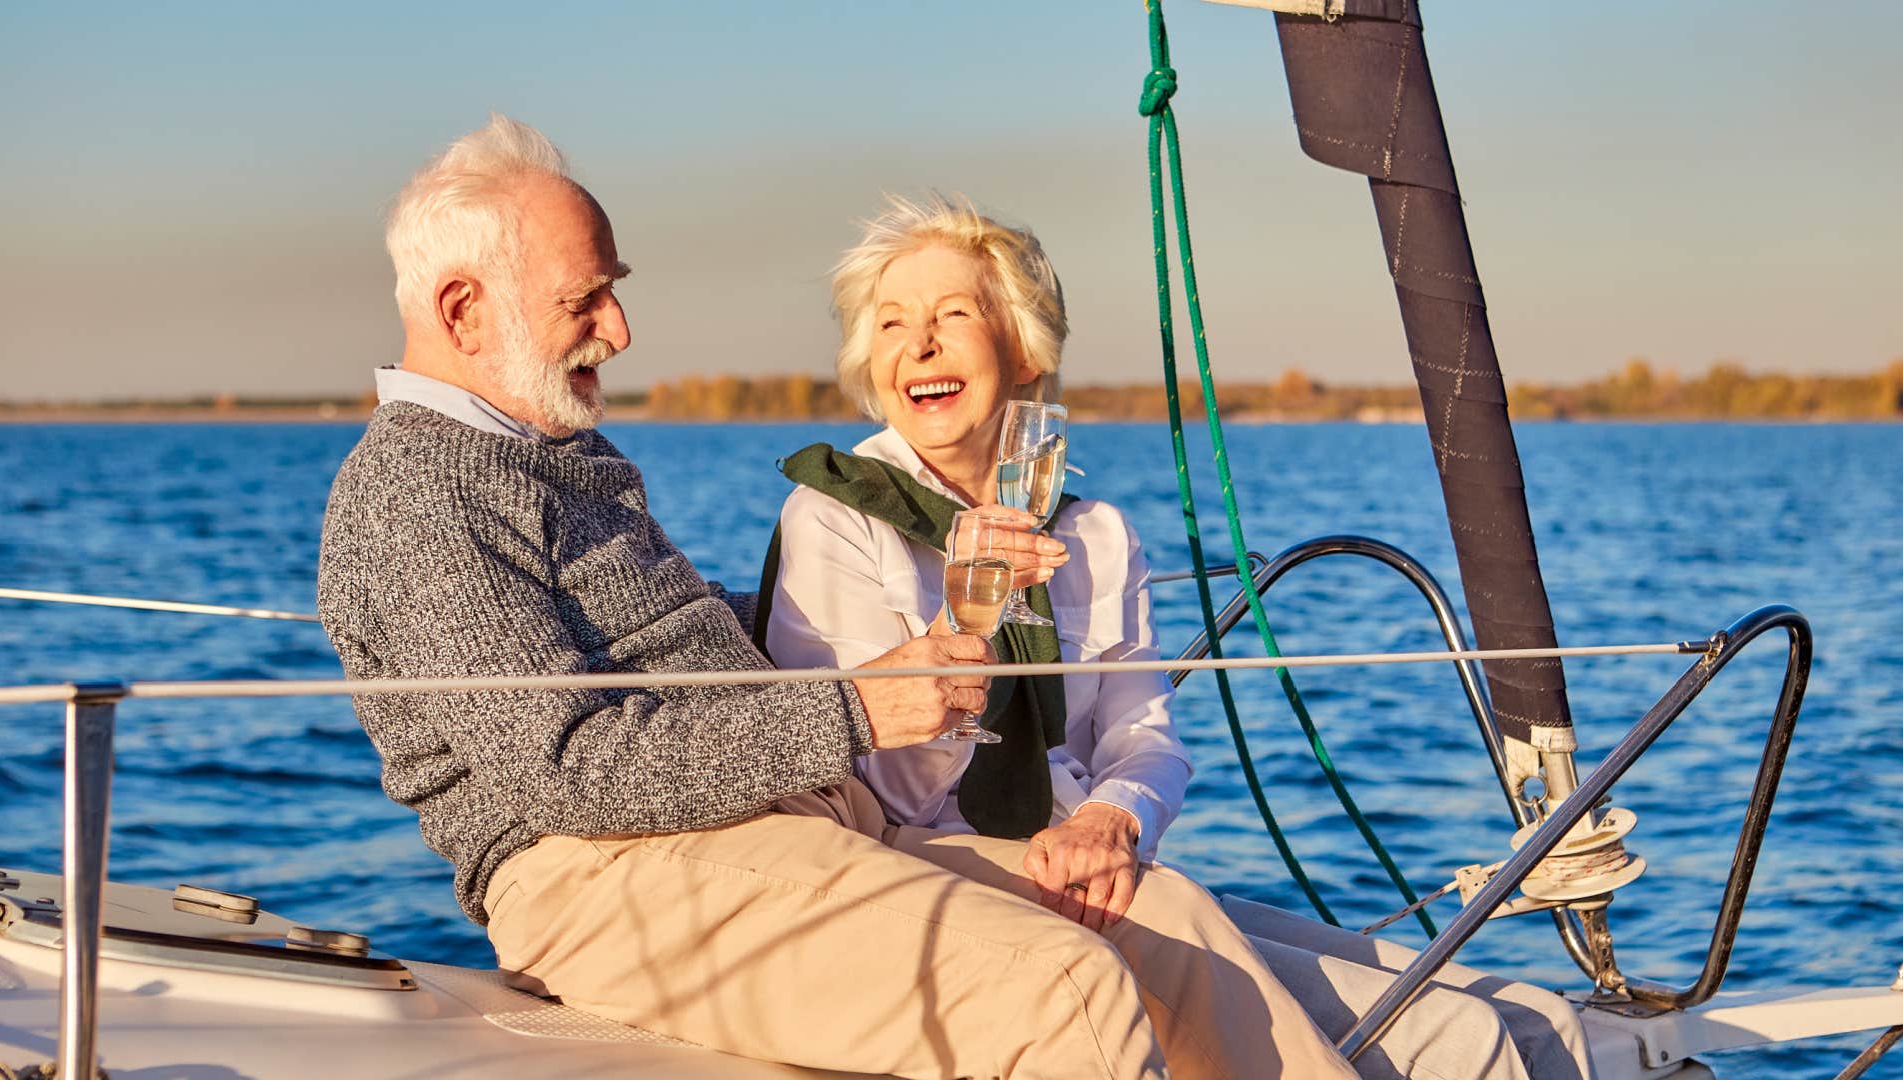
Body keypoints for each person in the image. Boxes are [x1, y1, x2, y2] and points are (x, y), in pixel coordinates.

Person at [316, 115, 1357, 1079]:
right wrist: (856, 707)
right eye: (585, 298)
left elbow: (672, 643)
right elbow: (564, 775)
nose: (620, 328)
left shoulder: (542, 456)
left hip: (778, 821)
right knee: (1062, 980)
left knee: (1158, 921)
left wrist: (931, 616)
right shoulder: (421, 488)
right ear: (463, 309)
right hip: (606, 871)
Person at [763, 194, 1594, 1080]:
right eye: (890, 324)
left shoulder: (1094, 535)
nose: (917, 345)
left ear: (1022, 345)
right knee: (1458, 1045)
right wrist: (968, 614)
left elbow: (1144, 736)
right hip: (921, 866)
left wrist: (1113, 818)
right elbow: (882, 785)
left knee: (1537, 1023)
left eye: (952, 315)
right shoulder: (836, 519)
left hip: (1084, 854)